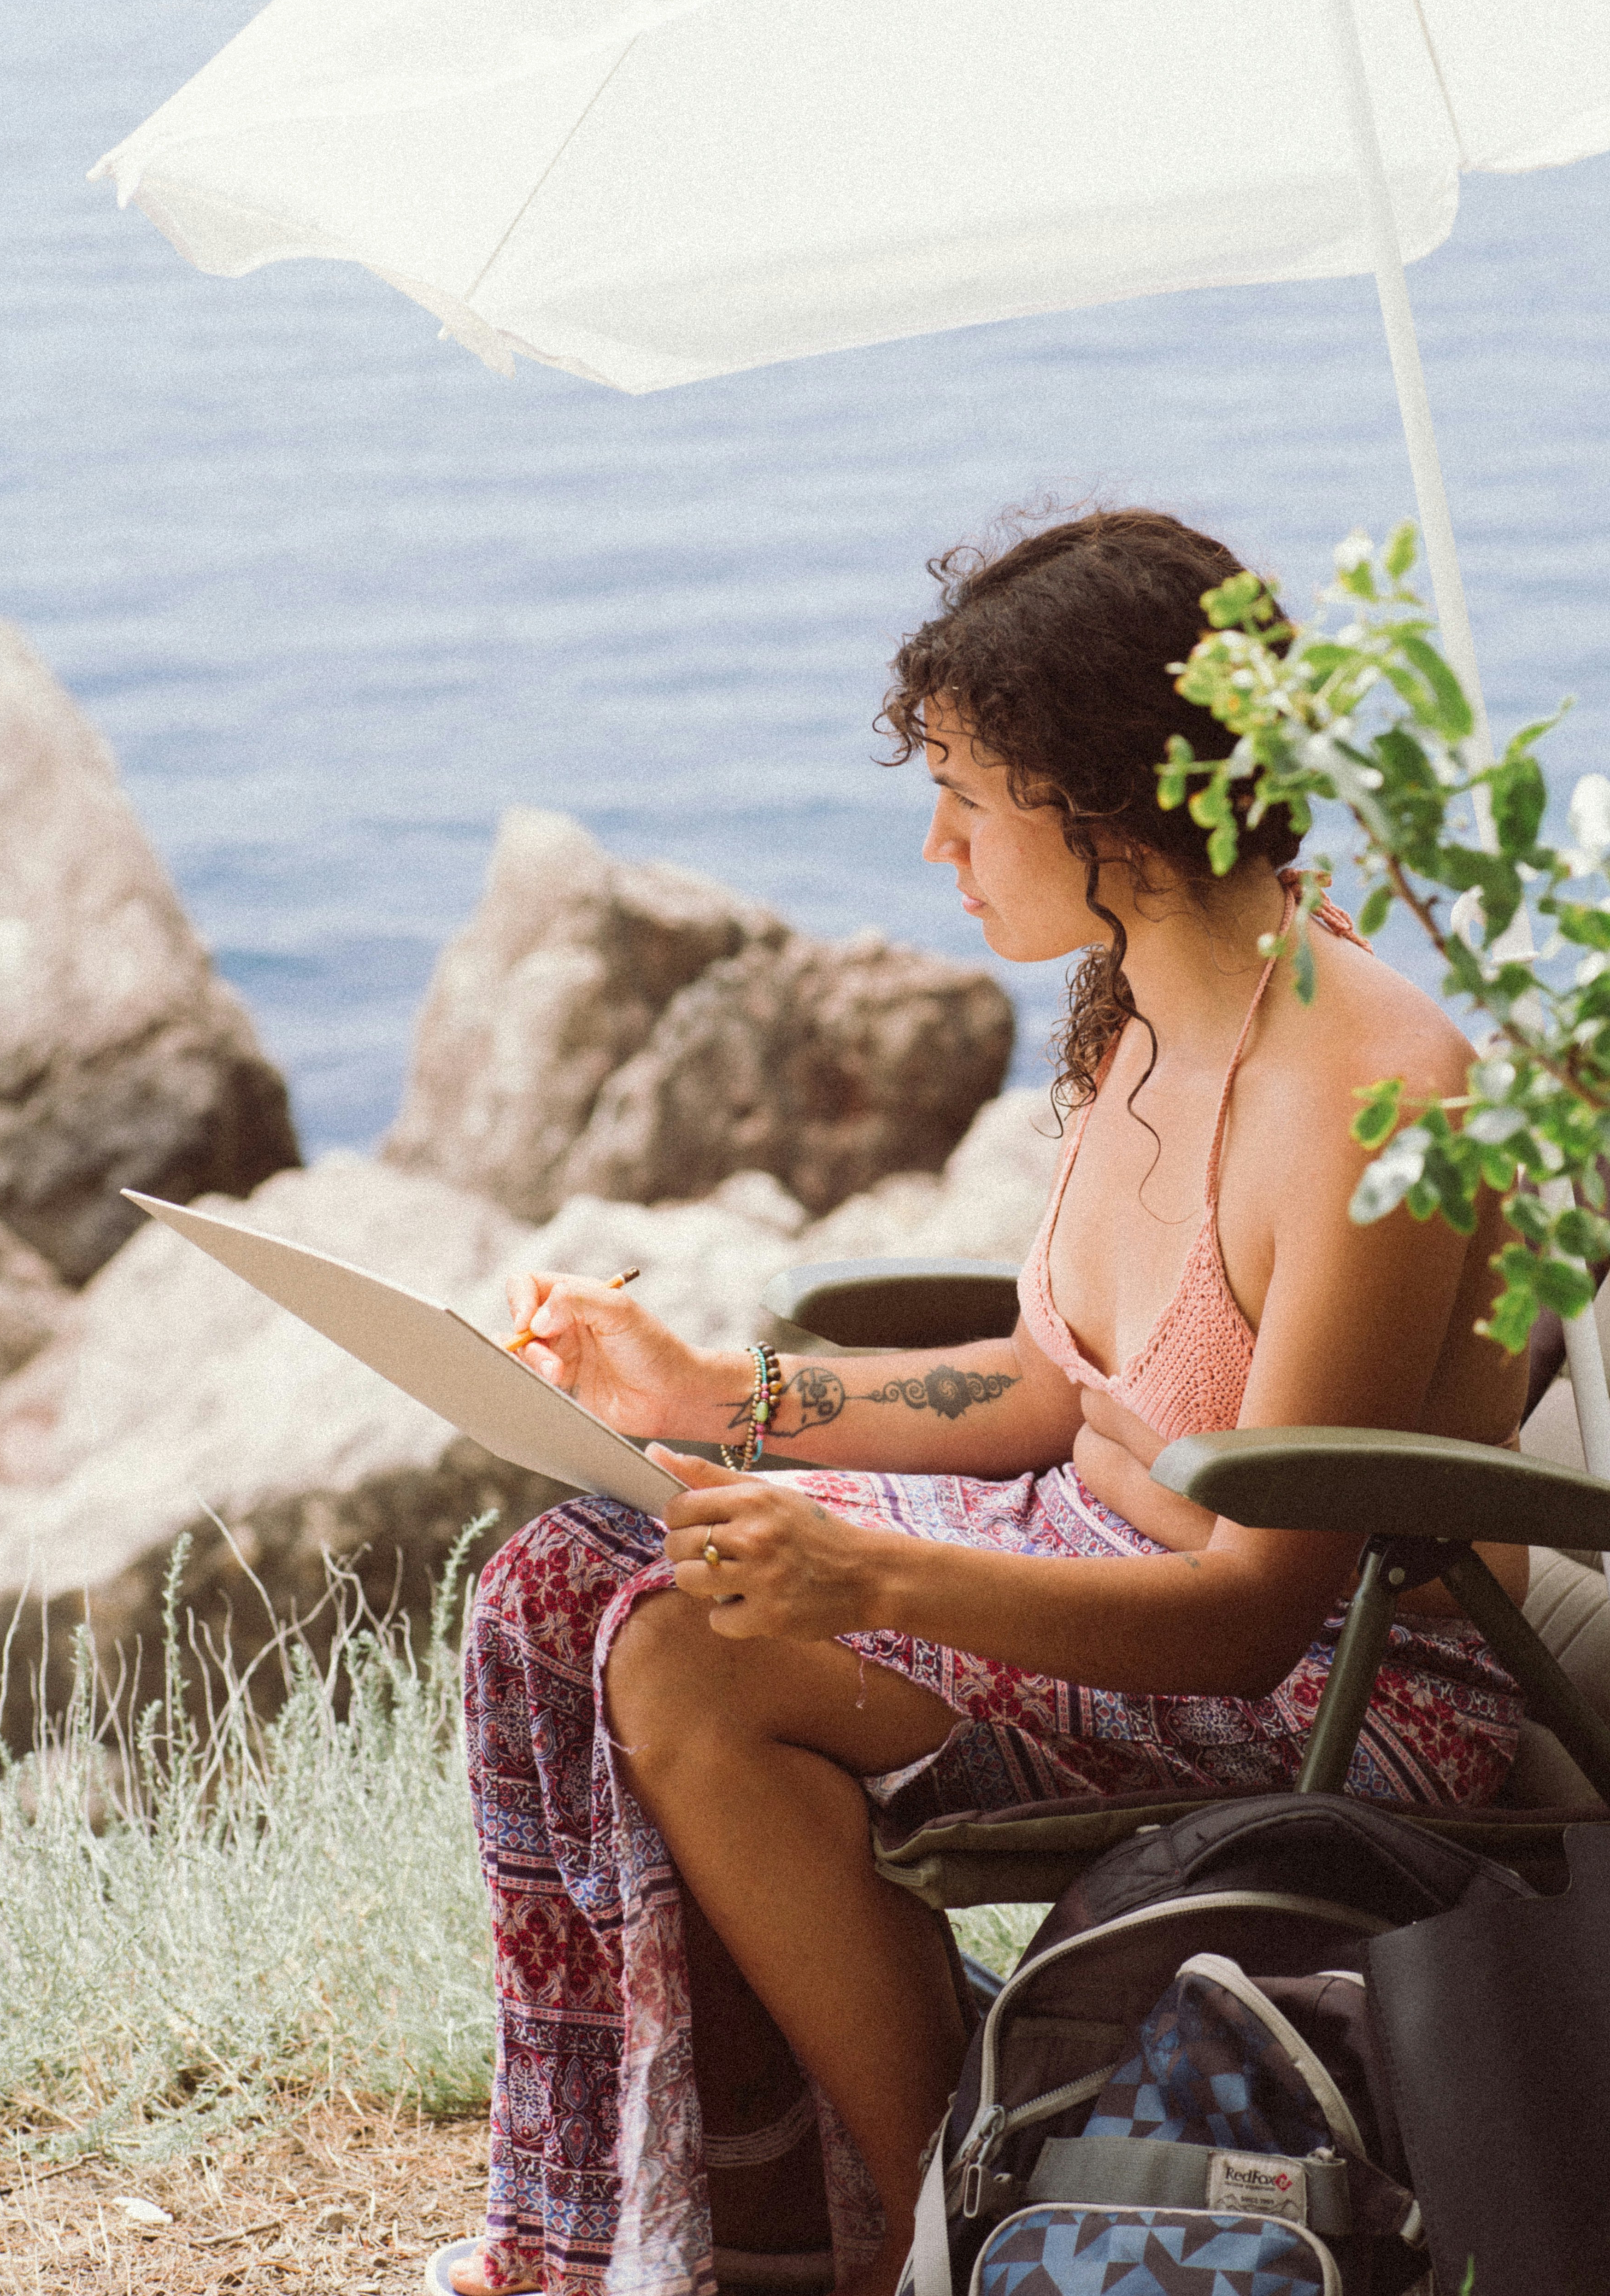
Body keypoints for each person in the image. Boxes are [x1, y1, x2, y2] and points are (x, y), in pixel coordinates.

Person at [445, 509, 1528, 2296]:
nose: (938, 844)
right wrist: (722, 1395)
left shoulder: (1367, 1096)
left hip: (1351, 1689)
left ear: (1113, 800)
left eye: (973, 794)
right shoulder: (1148, 1009)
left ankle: (924, 2233)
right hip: (1087, 1559)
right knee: (560, 1572)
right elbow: (1047, 1390)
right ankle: (654, 2224)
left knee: (690, 1646)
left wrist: (861, 1582)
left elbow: (1259, 1616)